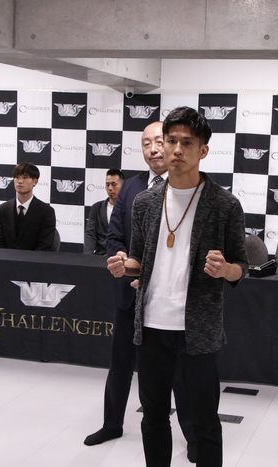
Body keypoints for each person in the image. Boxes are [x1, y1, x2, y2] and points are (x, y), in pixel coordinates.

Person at [107, 107, 248, 467]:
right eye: (171, 141)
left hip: (197, 330)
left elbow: (241, 269)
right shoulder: (145, 202)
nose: (177, 150)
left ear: (203, 150)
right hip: (151, 326)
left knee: (205, 422)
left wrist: (225, 269)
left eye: (187, 142)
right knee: (153, 418)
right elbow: (140, 260)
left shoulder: (225, 204)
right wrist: (124, 265)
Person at [85, 122, 198, 461]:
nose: (153, 149)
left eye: (159, 141)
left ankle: (193, 436)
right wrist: (120, 258)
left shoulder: (188, 187)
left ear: (173, 144)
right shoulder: (131, 187)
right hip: (129, 295)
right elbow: (114, 237)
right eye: (146, 143)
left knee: (178, 373)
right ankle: (112, 424)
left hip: (169, 299)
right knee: (120, 364)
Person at [0, 162, 57, 251]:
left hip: (34, 259)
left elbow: (45, 245)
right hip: (6, 258)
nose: (20, 181)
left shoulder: (46, 211)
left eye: (25, 177)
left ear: (35, 182)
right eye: (17, 177)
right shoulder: (3, 209)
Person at [83, 168, 124, 255]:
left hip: (121, 256)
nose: (110, 188)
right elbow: (90, 234)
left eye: (114, 184)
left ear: (123, 186)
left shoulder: (129, 208)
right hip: (100, 256)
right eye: (107, 185)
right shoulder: (96, 208)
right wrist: (87, 258)